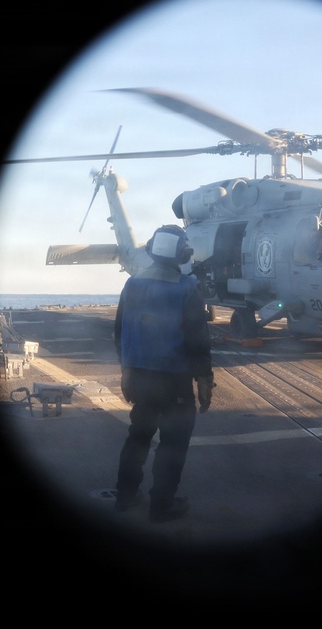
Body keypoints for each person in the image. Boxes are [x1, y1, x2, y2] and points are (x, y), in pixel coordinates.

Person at [113, 224, 216, 522]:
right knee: (172, 443)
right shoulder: (186, 288)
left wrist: (126, 370)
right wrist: (204, 379)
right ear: (182, 254)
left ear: (151, 250)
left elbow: (119, 332)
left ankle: (124, 497)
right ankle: (162, 505)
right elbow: (198, 339)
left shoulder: (131, 284)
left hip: (140, 379)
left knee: (138, 437)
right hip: (174, 382)